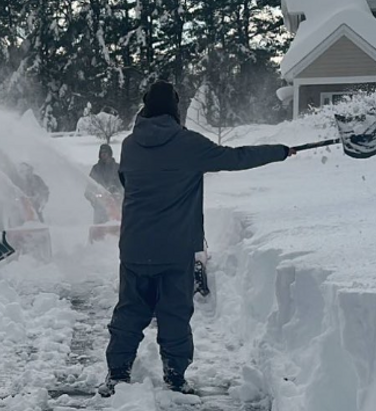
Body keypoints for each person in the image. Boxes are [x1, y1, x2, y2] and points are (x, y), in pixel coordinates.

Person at [99, 80, 296, 396]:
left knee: (130, 310)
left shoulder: (130, 145)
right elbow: (236, 158)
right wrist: (281, 151)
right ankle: (175, 377)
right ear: (174, 110)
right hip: (174, 247)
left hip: (134, 247)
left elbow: (126, 180)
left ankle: (117, 373)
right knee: (174, 312)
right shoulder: (187, 144)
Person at [86, 144, 122, 224]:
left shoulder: (117, 168)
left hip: (116, 203)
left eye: (106, 152)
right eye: (102, 152)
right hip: (100, 206)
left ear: (110, 153)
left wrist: (119, 194)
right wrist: (94, 199)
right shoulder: (96, 169)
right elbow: (89, 189)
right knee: (100, 224)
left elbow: (123, 185)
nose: (104, 154)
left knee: (117, 221)